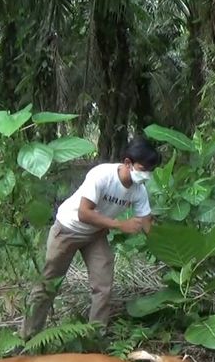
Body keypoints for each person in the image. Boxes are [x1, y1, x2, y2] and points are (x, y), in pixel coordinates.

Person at [21, 137, 161, 340]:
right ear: (128, 163)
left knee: (103, 286)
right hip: (68, 229)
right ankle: (27, 338)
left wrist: (168, 250)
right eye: (143, 168)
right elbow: (84, 213)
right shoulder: (102, 175)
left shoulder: (138, 191)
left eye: (150, 171)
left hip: (95, 235)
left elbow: (147, 224)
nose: (146, 175)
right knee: (48, 286)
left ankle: (94, 339)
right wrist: (120, 224)